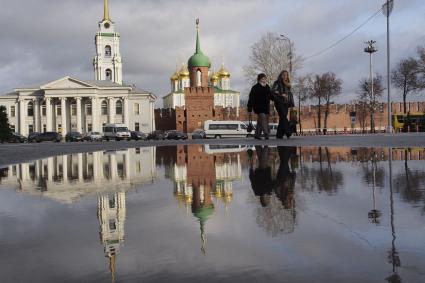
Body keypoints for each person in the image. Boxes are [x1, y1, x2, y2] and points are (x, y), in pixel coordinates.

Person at [247, 73, 272, 140]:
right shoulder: (255, 87)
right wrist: (249, 109)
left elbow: (271, 96)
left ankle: (257, 135)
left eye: (265, 78)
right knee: (263, 118)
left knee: (260, 121)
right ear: (259, 79)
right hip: (258, 107)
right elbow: (251, 98)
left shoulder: (267, 87)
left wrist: (277, 97)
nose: (264, 80)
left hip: (266, 107)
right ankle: (266, 133)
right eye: (262, 79)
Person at [271, 70, 295, 139]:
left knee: (282, 118)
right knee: (284, 116)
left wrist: (291, 103)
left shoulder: (288, 84)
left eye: (286, 75)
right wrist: (281, 94)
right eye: (283, 75)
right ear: (281, 75)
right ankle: (289, 132)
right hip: (278, 102)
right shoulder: (277, 83)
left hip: (286, 103)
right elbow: (272, 91)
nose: (285, 76)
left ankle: (279, 135)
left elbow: (290, 94)